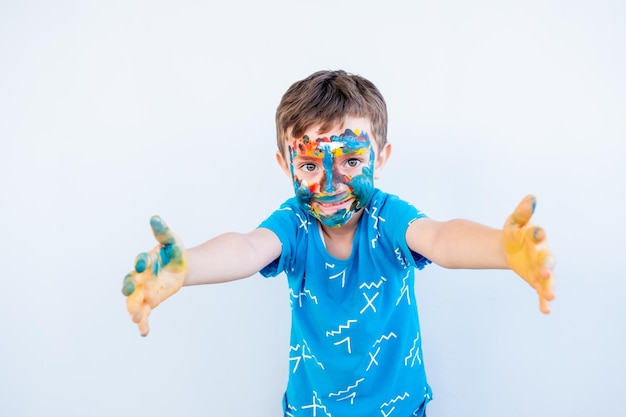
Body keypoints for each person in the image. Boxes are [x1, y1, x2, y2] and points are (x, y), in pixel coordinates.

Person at [121, 69, 555, 417]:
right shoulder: (295, 223)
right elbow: (248, 249)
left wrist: (502, 249)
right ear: (284, 164)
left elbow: (441, 237)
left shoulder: (387, 219)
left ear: (380, 159)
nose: (330, 183)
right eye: (309, 164)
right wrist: (189, 267)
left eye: (351, 160)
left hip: (399, 409)